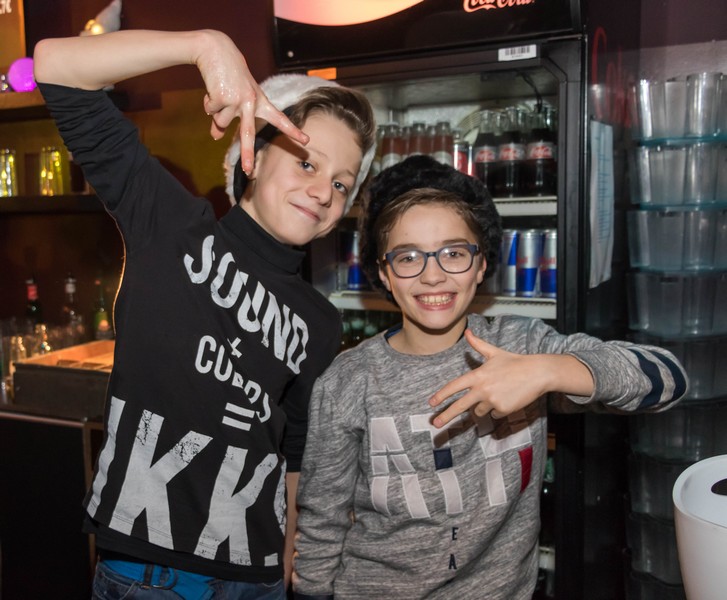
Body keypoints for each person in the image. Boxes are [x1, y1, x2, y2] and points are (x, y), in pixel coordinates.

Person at [33, 29, 376, 599]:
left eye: (341, 183)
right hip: (150, 577)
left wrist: (288, 560)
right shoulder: (172, 226)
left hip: (258, 578)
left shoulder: (320, 321)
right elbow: (54, 65)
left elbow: (293, 453)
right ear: (253, 152)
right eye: (306, 162)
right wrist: (204, 45)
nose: (323, 192)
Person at [292, 155, 688, 599]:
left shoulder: (521, 345)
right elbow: (322, 521)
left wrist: (547, 371)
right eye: (408, 257)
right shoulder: (347, 381)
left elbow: (668, 379)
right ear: (384, 273)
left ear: (481, 265)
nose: (433, 275)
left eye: (454, 253)